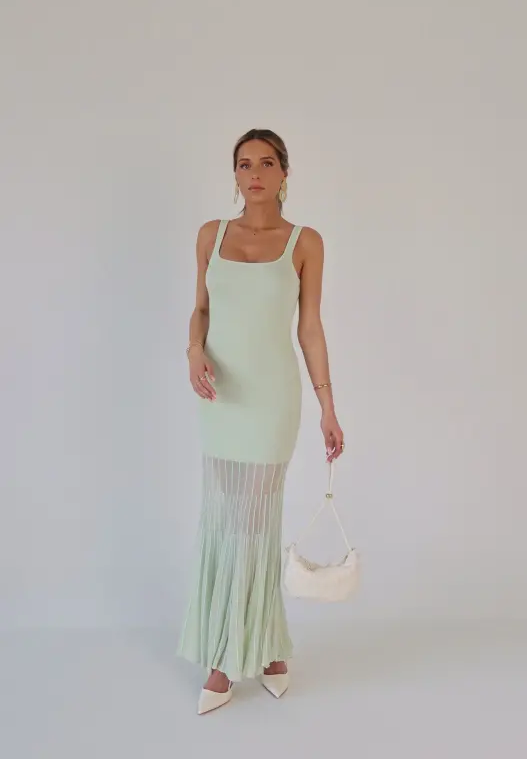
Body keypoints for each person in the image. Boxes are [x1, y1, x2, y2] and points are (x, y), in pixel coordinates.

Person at [176, 128, 344, 714]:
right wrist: (193, 352)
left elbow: (310, 328)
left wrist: (328, 405)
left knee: (257, 519)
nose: (254, 174)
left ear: (284, 174)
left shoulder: (305, 242)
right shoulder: (211, 235)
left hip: (273, 398)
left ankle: (236, 656)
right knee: (226, 519)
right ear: (235, 174)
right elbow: (200, 309)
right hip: (220, 397)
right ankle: (256, 649)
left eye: (266, 163)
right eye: (244, 164)